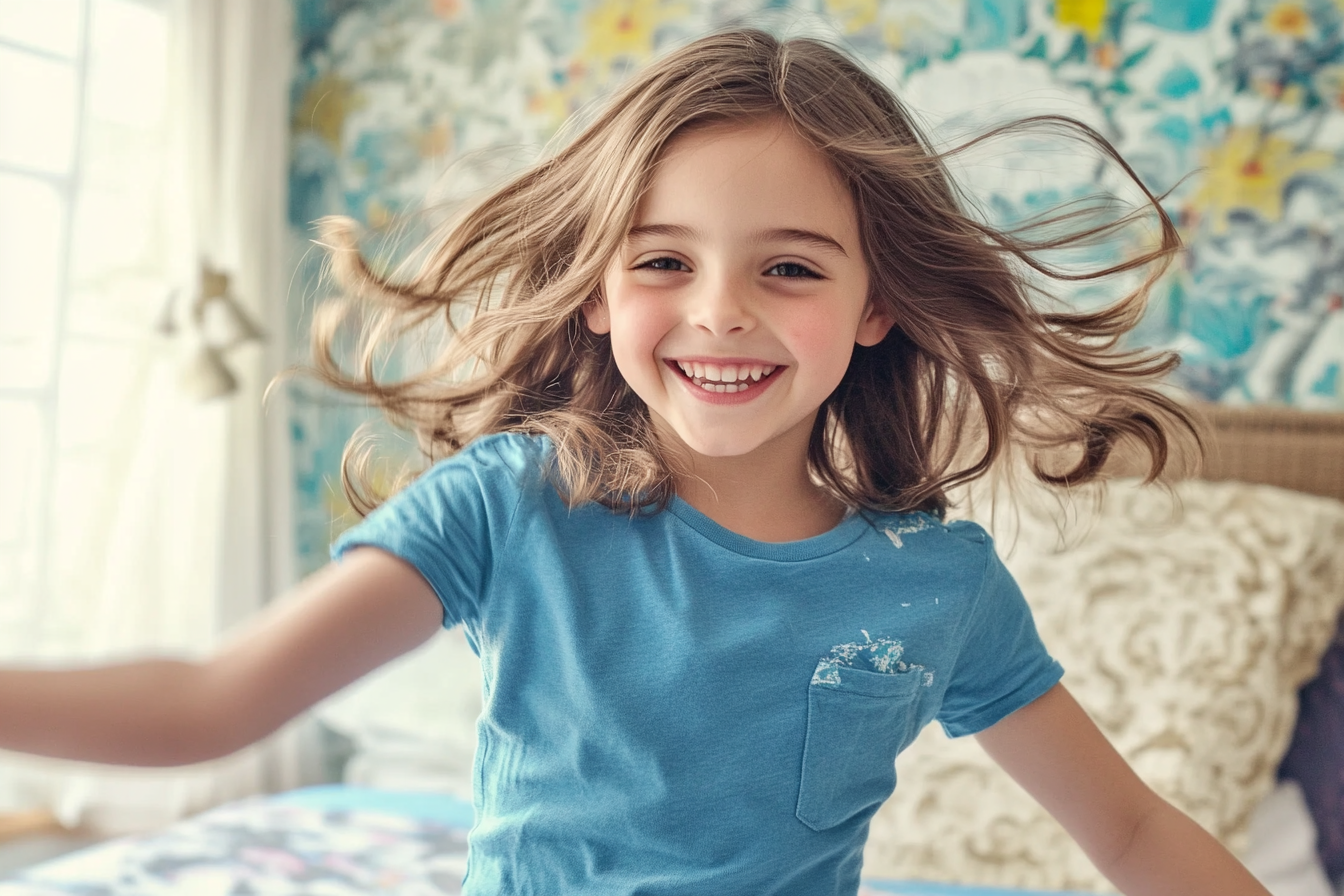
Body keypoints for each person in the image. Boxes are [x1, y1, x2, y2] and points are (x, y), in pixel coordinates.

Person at [0, 27, 1269, 896]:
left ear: (877, 303)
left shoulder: (933, 585)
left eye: (788, 266)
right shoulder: (508, 505)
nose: (720, 310)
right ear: (596, 294)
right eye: (665, 260)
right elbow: (213, 700)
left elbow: (1134, 827)